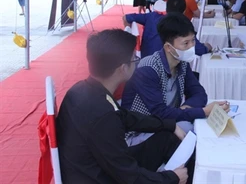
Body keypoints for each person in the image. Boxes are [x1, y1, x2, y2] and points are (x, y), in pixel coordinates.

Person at [56, 29, 190, 184]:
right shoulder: (102, 116)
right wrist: (172, 178)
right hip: (98, 176)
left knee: (167, 138)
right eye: (134, 59)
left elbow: (125, 117)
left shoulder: (81, 90)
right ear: (123, 68)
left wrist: (169, 125)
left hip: (96, 165)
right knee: (179, 169)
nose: (137, 63)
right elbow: (129, 177)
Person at [122, 13, 229, 134]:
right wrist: (203, 111)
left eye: (193, 41)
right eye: (186, 43)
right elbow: (160, 113)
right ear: (168, 47)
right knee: (191, 129)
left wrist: (184, 109)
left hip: (167, 122)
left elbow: (199, 93)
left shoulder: (181, 63)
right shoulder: (148, 69)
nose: (191, 47)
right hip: (140, 131)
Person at [123, 0, 212, 58]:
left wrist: (128, 34)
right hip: (167, 71)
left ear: (166, 8)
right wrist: (207, 46)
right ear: (184, 11)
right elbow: (200, 50)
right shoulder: (183, 25)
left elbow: (125, 17)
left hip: (144, 62)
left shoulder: (151, 16)